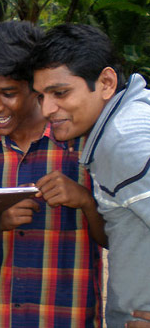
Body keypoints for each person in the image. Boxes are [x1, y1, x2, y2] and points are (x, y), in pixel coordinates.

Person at [0, 21, 106, 327]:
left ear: (35, 87)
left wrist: (84, 200)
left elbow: (111, 239)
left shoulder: (82, 145)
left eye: (7, 93)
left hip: (67, 316)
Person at [31, 23, 150, 327]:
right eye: (41, 95)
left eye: (60, 93)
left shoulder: (125, 142)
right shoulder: (123, 125)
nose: (46, 109)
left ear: (107, 82)